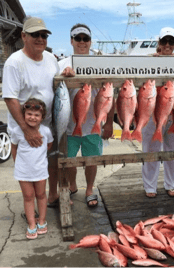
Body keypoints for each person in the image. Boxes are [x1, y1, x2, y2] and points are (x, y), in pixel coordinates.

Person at [2, 17, 60, 208]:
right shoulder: (14, 62)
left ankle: (51, 197)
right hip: (24, 128)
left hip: (48, 126)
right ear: (24, 36)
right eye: (35, 34)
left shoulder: (52, 59)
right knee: (27, 172)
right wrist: (27, 130)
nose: (40, 39)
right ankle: (31, 208)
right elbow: (10, 98)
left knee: (50, 163)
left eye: (44, 35)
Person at [56, 23, 114, 207]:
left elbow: (109, 96)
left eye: (85, 39)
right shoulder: (61, 65)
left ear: (90, 42)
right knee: (69, 160)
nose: (82, 42)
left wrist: (109, 123)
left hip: (93, 125)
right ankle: (72, 186)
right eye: (78, 38)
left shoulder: (102, 65)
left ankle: (90, 188)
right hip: (69, 126)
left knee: (92, 160)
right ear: (71, 41)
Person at [142, 27, 174, 198]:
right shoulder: (148, 60)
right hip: (152, 112)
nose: (167, 45)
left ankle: (171, 184)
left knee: (173, 151)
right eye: (164, 41)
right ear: (159, 42)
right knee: (150, 151)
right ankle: (150, 186)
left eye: (171, 42)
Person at [11, 98, 53, 239]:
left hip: (40, 170)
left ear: (42, 117)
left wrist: (39, 159)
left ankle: (41, 221)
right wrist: (19, 164)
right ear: (23, 114)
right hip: (23, 172)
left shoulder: (46, 131)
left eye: (36, 115)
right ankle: (31, 224)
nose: (32, 117)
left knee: (41, 195)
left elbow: (49, 145)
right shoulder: (17, 131)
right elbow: (14, 147)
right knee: (28, 197)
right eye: (29, 113)